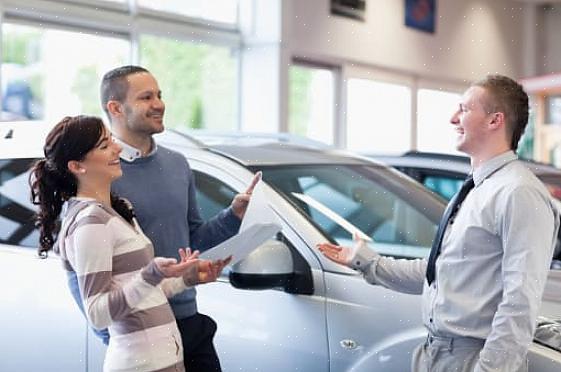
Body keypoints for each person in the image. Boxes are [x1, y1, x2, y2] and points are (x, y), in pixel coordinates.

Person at [318, 74, 560, 372]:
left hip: (473, 359)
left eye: (464, 109)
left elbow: (520, 303)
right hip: (437, 354)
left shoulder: (518, 192)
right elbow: (440, 272)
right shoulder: (477, 189)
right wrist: (367, 263)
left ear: (494, 120)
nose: (453, 118)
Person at [71, 65, 258, 371]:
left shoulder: (177, 164)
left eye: (159, 95)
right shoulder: (100, 174)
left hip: (186, 316)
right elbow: (80, 273)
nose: (159, 104)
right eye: (146, 97)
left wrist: (233, 215)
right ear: (115, 108)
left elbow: (192, 240)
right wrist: (113, 334)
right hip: (138, 329)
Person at [29, 115, 230, 371]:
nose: (118, 148)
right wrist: (151, 274)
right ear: (77, 166)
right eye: (104, 145)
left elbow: (141, 296)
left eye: (111, 140)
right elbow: (98, 313)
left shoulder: (117, 210)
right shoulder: (91, 222)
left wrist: (186, 279)